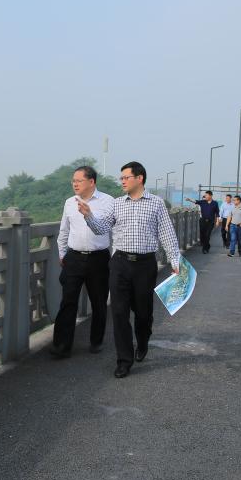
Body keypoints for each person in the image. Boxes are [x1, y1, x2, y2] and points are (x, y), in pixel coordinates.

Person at [79, 161, 180, 379]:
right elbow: (101, 228)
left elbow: (167, 233)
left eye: (126, 177)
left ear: (139, 178)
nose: (122, 181)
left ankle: (142, 341)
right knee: (119, 312)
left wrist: (175, 260)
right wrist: (88, 215)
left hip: (145, 265)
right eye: (121, 178)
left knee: (143, 313)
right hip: (120, 263)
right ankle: (124, 360)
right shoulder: (116, 204)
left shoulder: (156, 203)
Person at [50, 165, 113, 358]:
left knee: (99, 302)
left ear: (91, 182)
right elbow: (64, 231)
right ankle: (61, 346)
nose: (75, 184)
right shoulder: (70, 203)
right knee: (68, 302)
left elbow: (107, 229)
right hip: (74, 258)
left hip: (98, 258)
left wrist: (89, 215)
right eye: (73, 181)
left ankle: (96, 341)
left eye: (79, 181)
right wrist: (63, 254)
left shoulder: (108, 201)